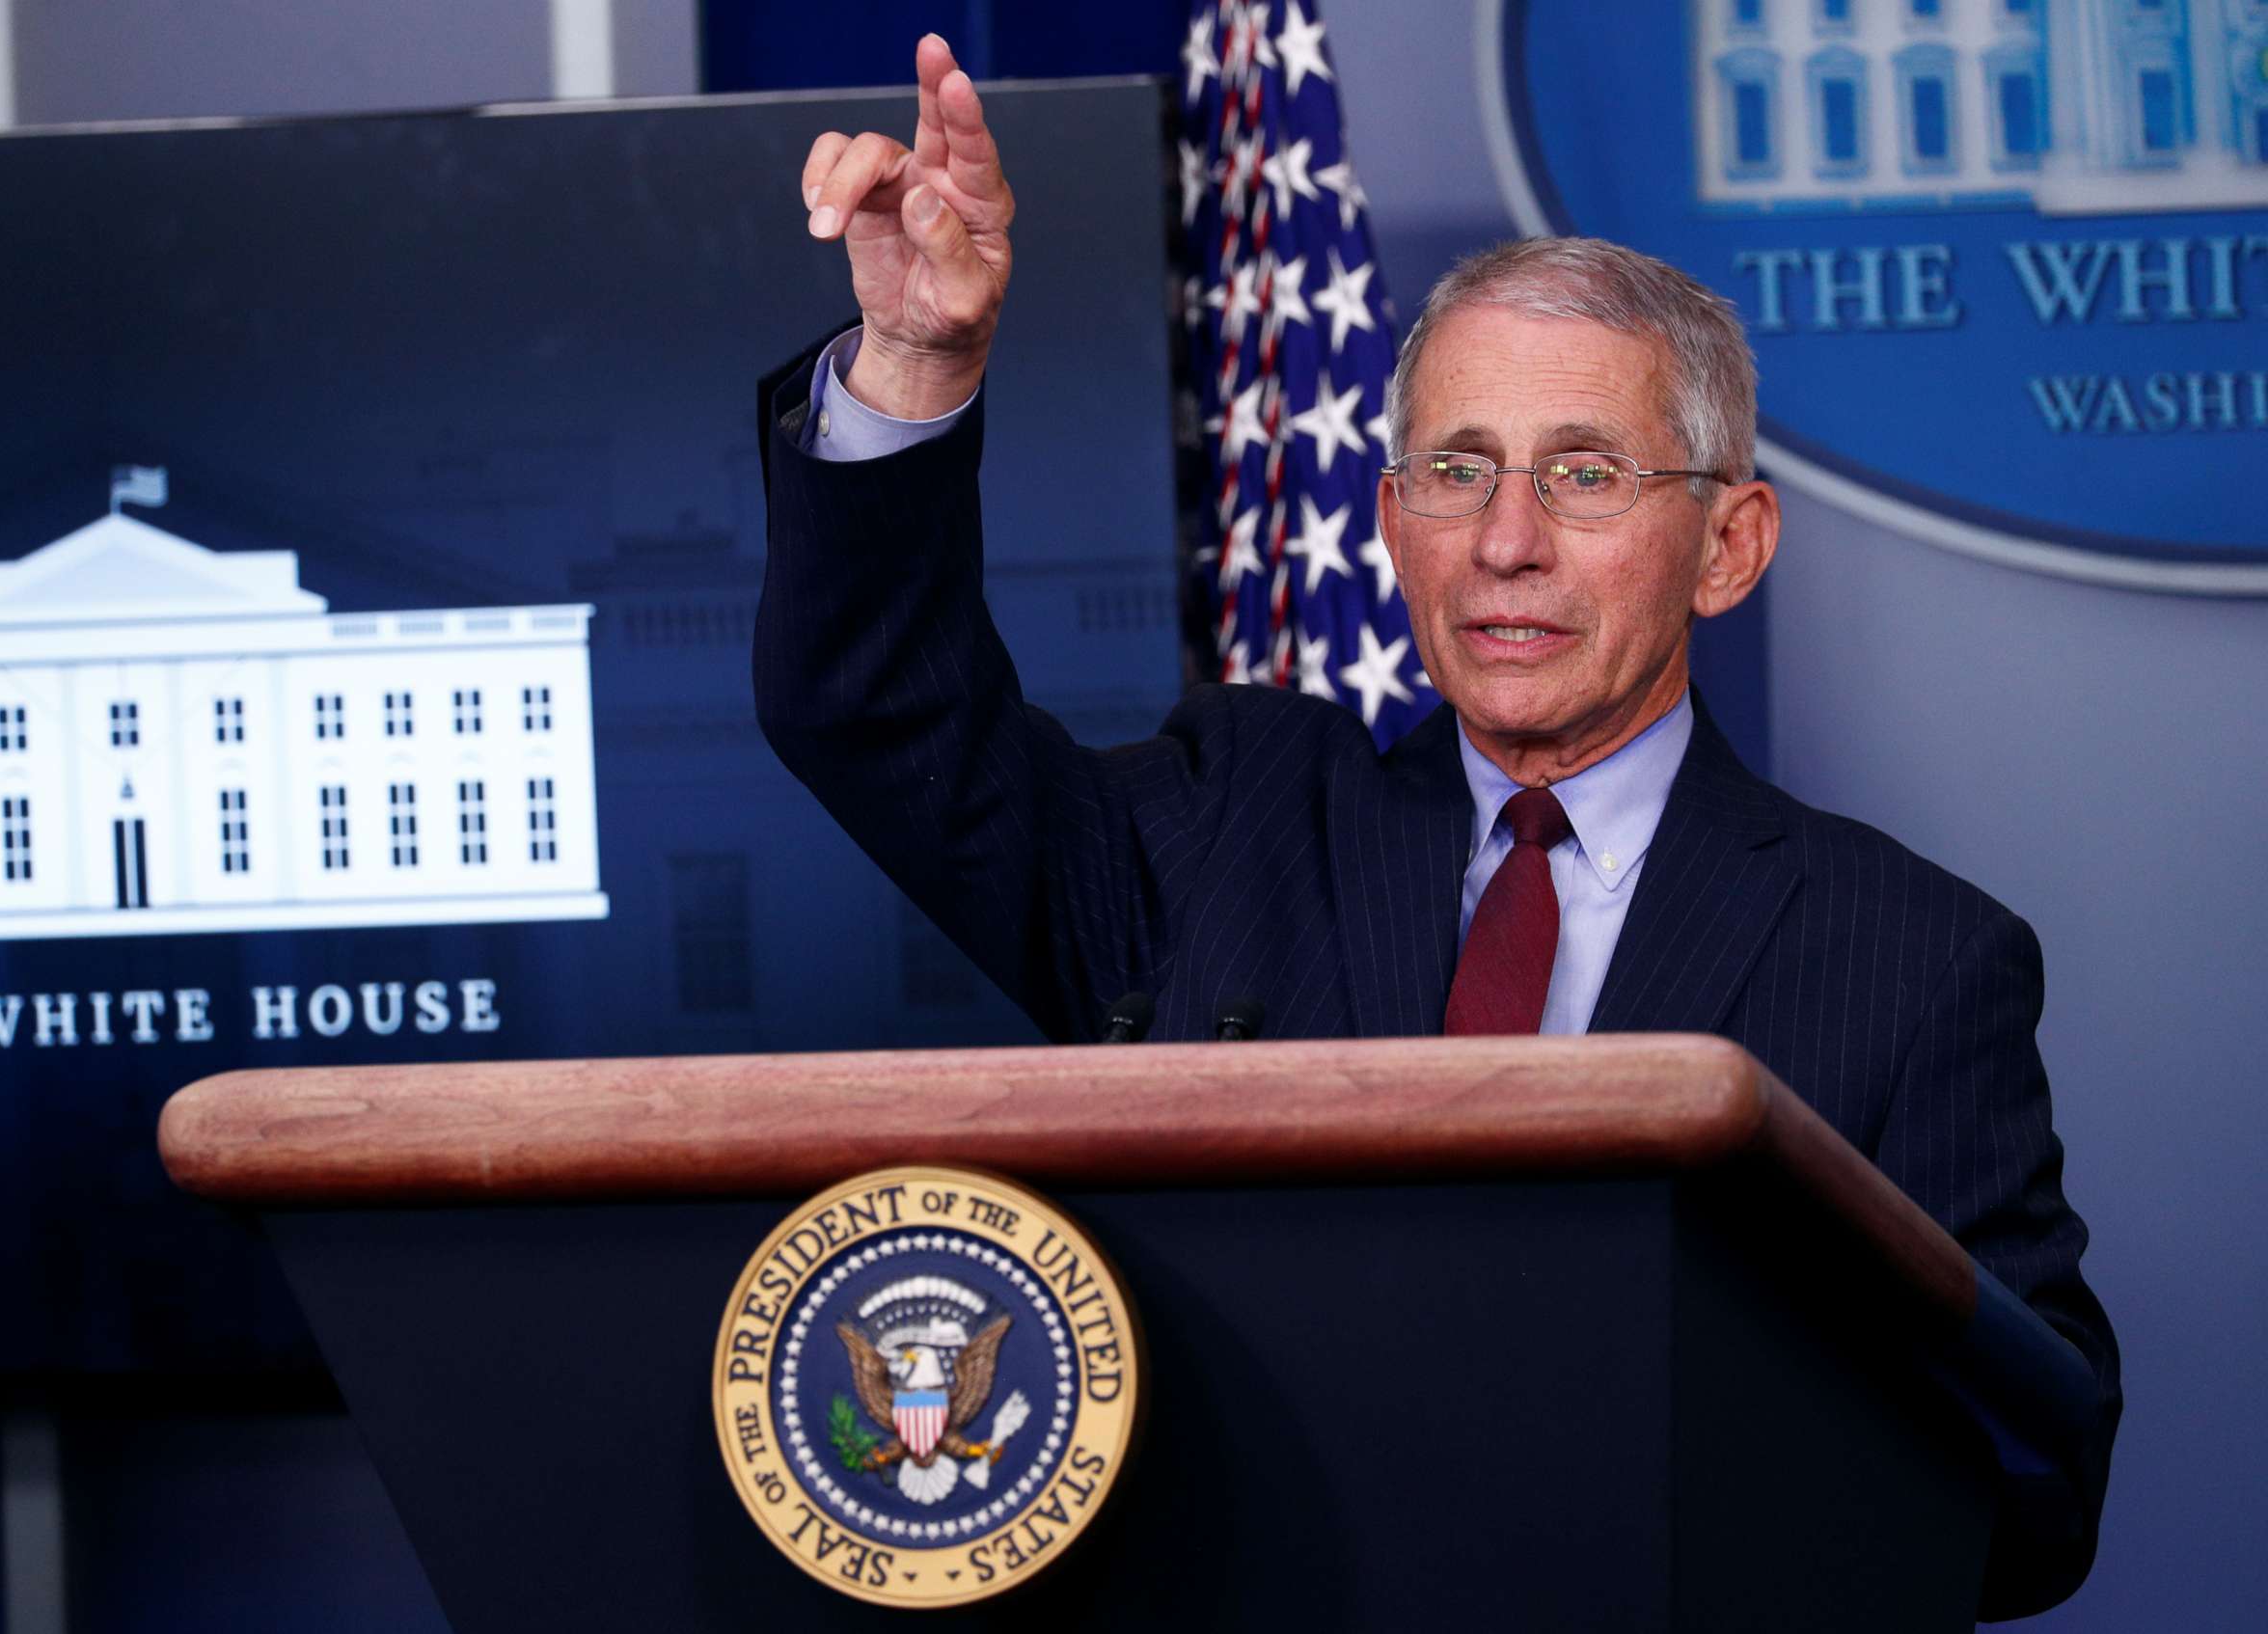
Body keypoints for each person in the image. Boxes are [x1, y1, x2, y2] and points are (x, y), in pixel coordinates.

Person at [753, 37, 2117, 1613]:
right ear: (1393, 526)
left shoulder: (1915, 958)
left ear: (1728, 544)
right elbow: (872, 718)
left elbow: (2038, 1482)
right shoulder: (1232, 812)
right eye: (1457, 473)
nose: (1509, 542)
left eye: (1587, 475)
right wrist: (915, 366)